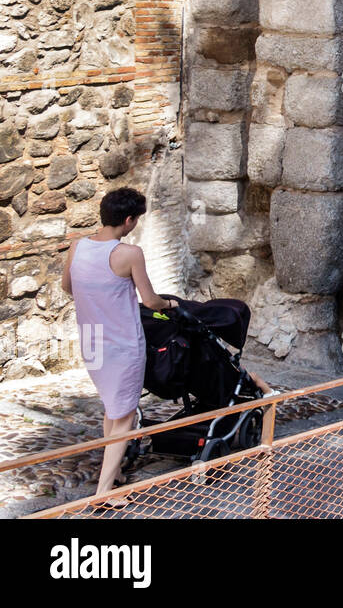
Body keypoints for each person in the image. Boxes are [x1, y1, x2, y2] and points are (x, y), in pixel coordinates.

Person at [61, 188, 277, 505]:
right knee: (122, 417)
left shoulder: (76, 247)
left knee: (113, 407)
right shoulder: (128, 254)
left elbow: (68, 287)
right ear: (129, 220)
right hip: (121, 344)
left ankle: (115, 470)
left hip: (91, 340)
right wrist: (170, 304)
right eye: (136, 220)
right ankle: (104, 493)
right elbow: (150, 300)